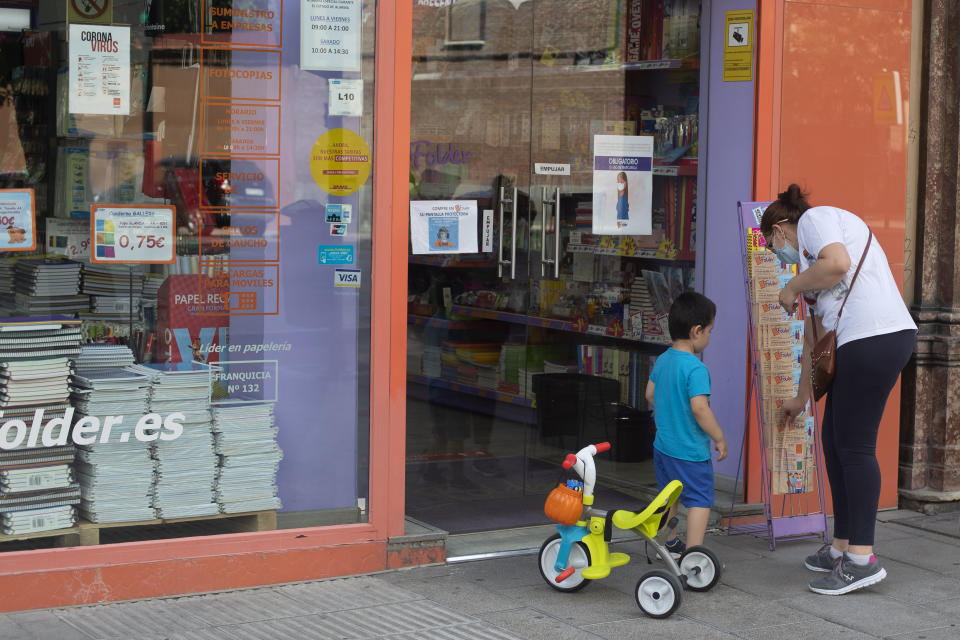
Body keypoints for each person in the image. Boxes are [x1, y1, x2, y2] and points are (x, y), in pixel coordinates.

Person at [761, 184, 917, 596]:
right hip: (859, 342)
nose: (779, 257)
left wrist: (792, 288)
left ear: (780, 229)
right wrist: (799, 399)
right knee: (833, 442)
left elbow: (839, 262)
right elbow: (814, 344)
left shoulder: (815, 220)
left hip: (875, 336)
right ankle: (842, 546)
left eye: (774, 247)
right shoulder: (809, 268)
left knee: (855, 447)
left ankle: (861, 560)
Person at [645, 291, 728, 556]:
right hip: (690, 452)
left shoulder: (663, 359)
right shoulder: (696, 369)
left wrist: (670, 410)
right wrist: (719, 437)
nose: (710, 337)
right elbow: (699, 408)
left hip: (663, 448)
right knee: (700, 500)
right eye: (710, 331)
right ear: (697, 331)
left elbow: (650, 395)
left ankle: (667, 542)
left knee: (669, 497)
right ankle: (694, 555)